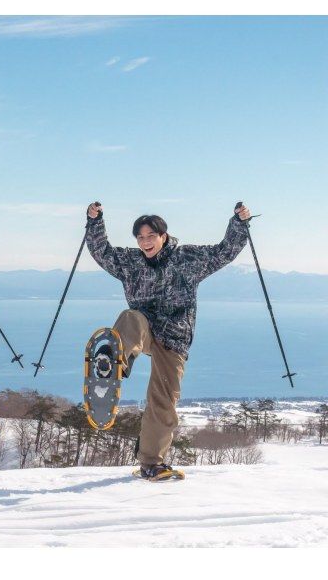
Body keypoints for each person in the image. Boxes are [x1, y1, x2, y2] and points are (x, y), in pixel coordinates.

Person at [85, 201, 251, 479]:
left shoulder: (188, 259)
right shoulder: (131, 262)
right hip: (144, 330)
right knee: (131, 317)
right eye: (140, 237)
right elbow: (101, 251)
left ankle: (151, 463)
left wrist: (239, 223)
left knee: (164, 401)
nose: (145, 242)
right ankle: (110, 363)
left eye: (151, 236)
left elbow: (225, 251)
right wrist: (95, 221)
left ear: (164, 236)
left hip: (175, 338)